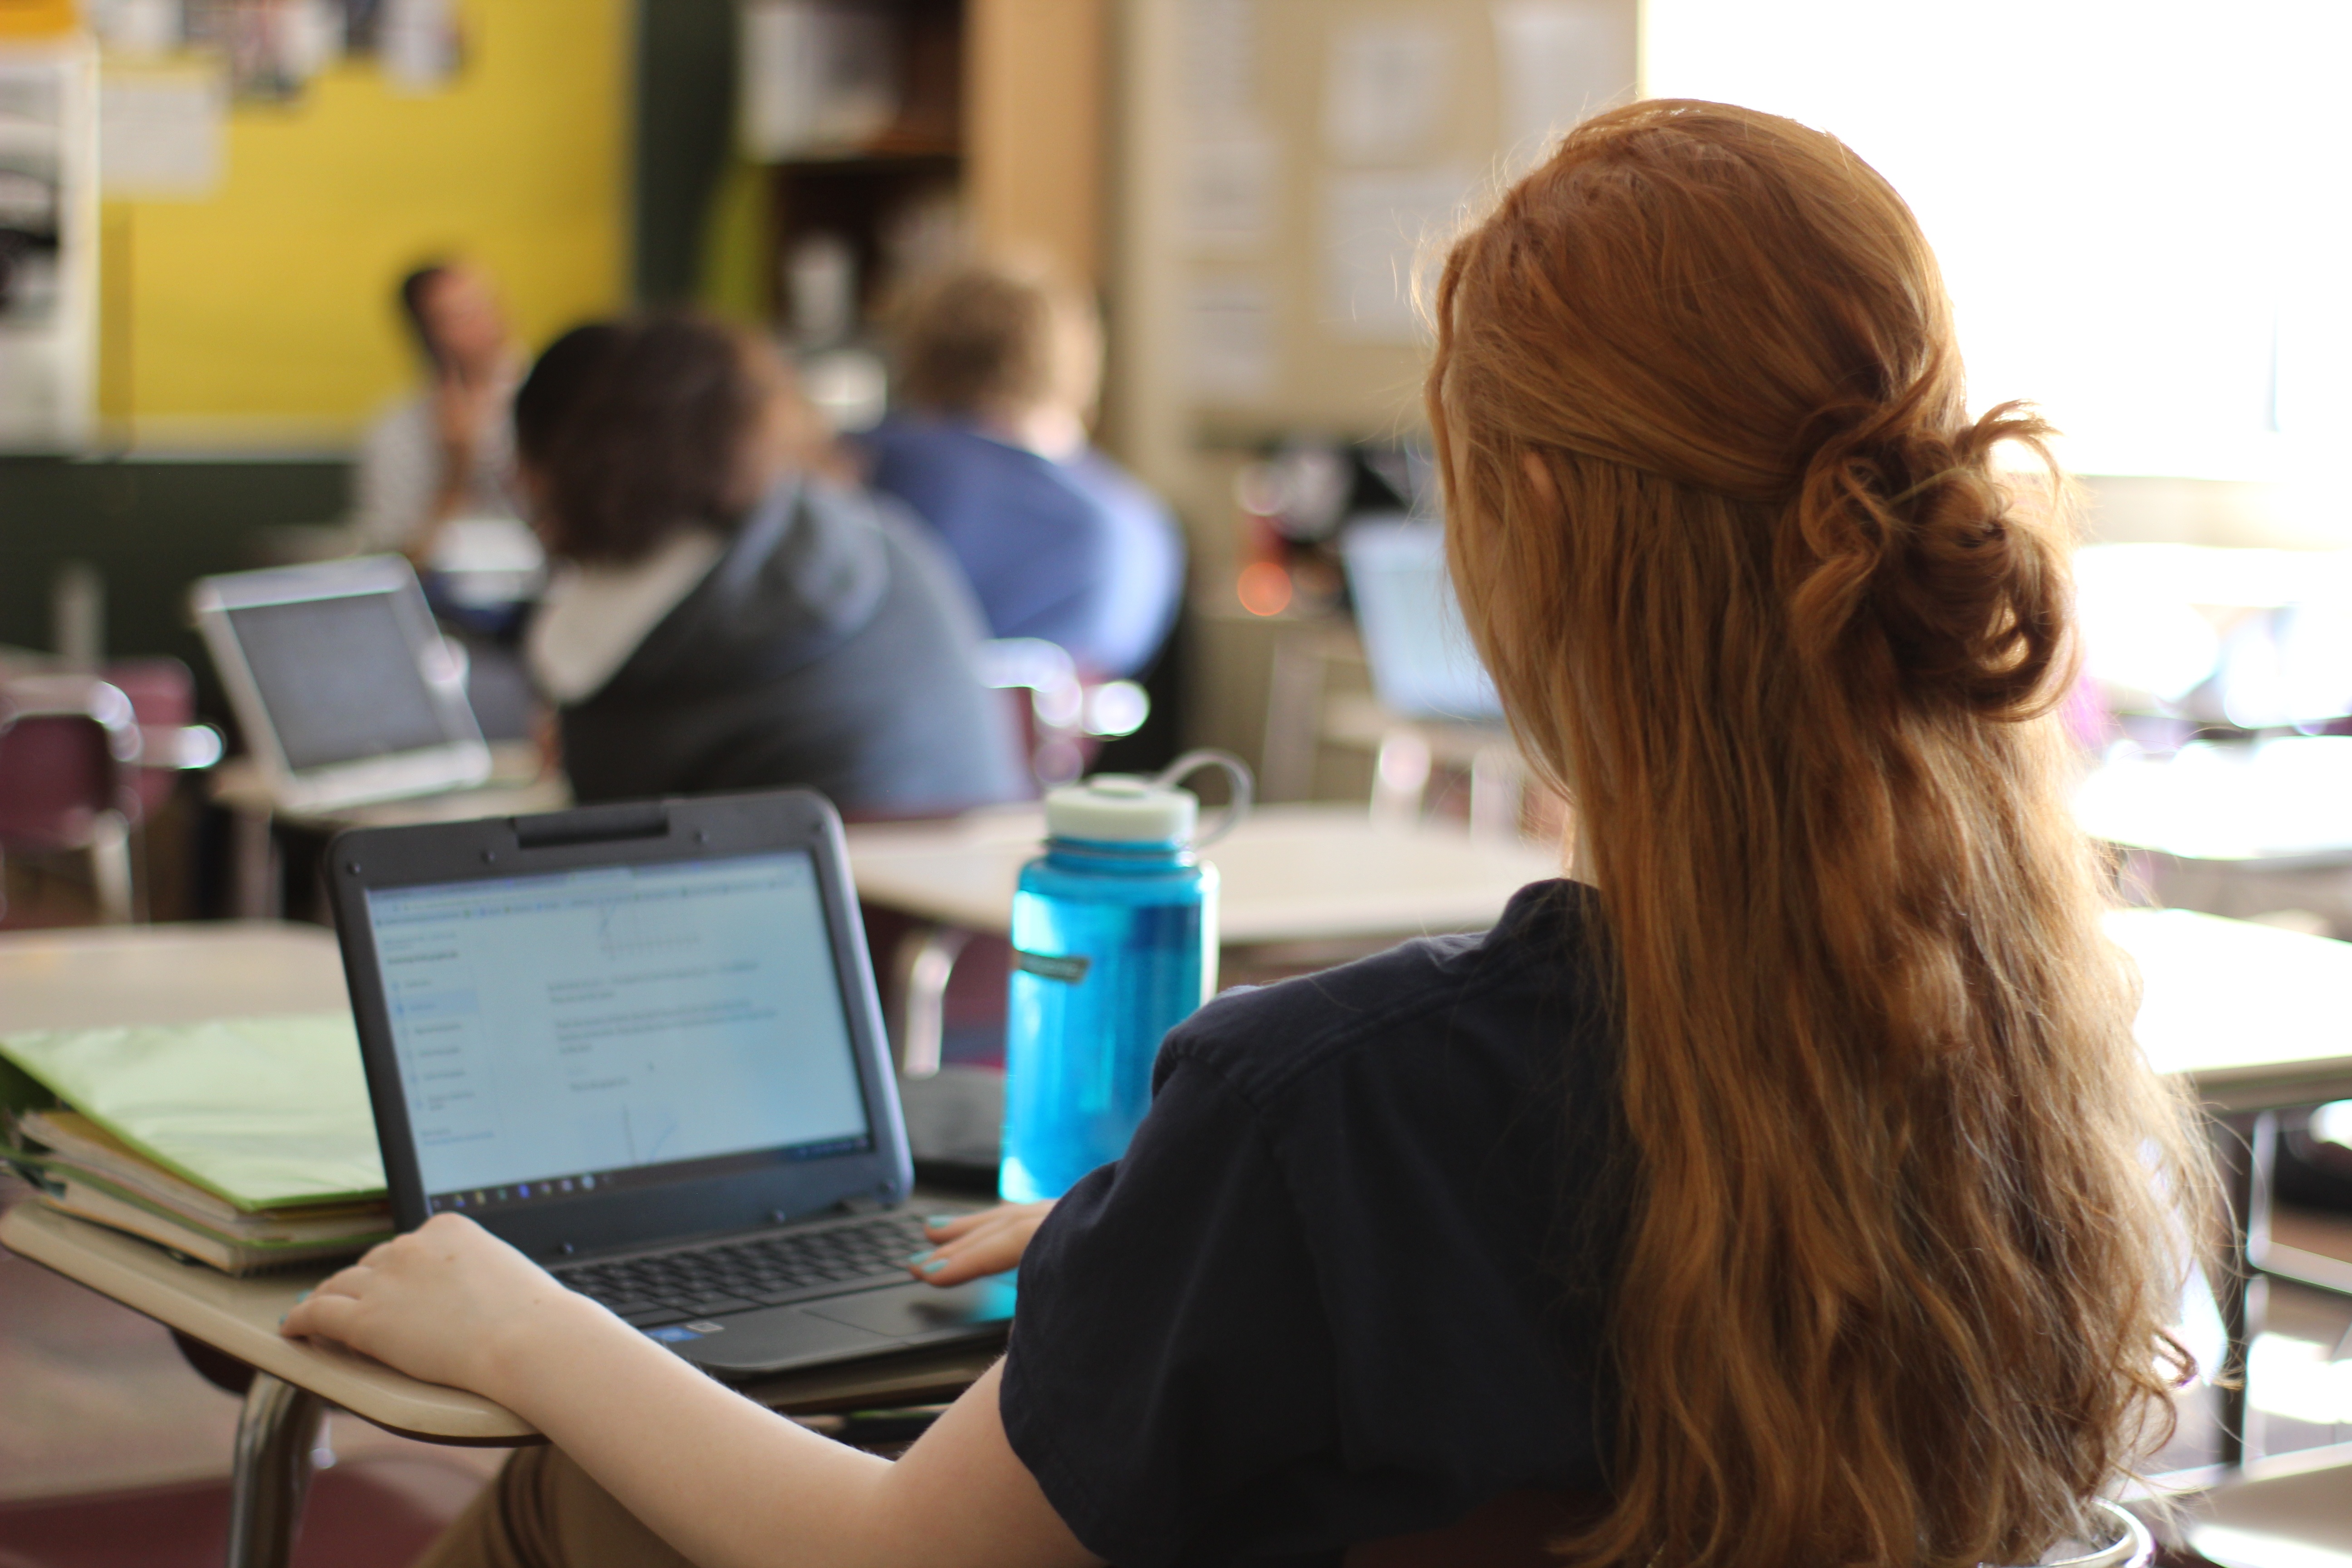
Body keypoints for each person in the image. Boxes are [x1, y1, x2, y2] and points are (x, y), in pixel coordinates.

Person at [284, 102, 2212, 1568]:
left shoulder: (1333, 1107)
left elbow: (881, 1553)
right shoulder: (2037, 1061)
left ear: (1520, 517)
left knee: (577, 1498)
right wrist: (1169, 1248)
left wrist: (514, 1316)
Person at [511, 313, 1026, 814]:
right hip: (957, 879)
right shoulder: (876, 534)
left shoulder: (645, 629)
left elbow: (596, 805)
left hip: (800, 889)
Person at [859, 260, 1184, 679]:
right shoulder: (1144, 528)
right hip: (1052, 741)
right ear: (1077, 364)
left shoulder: (879, 463)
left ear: (924, 356)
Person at [354, 260, 527, 559]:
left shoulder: (554, 402)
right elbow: (401, 562)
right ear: (428, 337)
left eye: (485, 305)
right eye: (461, 316)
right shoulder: (397, 431)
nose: (485, 323)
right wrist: (457, 467)